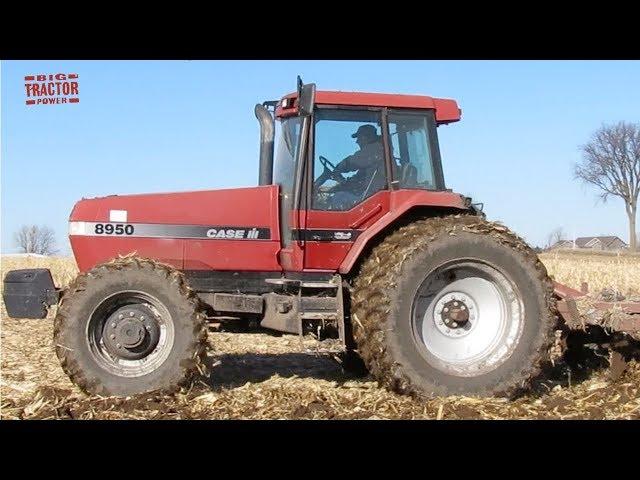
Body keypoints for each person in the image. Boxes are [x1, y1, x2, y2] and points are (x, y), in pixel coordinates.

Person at [326, 124, 385, 208]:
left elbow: (352, 162)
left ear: (365, 138)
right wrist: (344, 183)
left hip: (374, 194)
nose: (357, 141)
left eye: (359, 138)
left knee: (339, 197)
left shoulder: (374, 150)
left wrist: (338, 168)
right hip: (373, 192)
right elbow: (360, 177)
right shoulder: (374, 156)